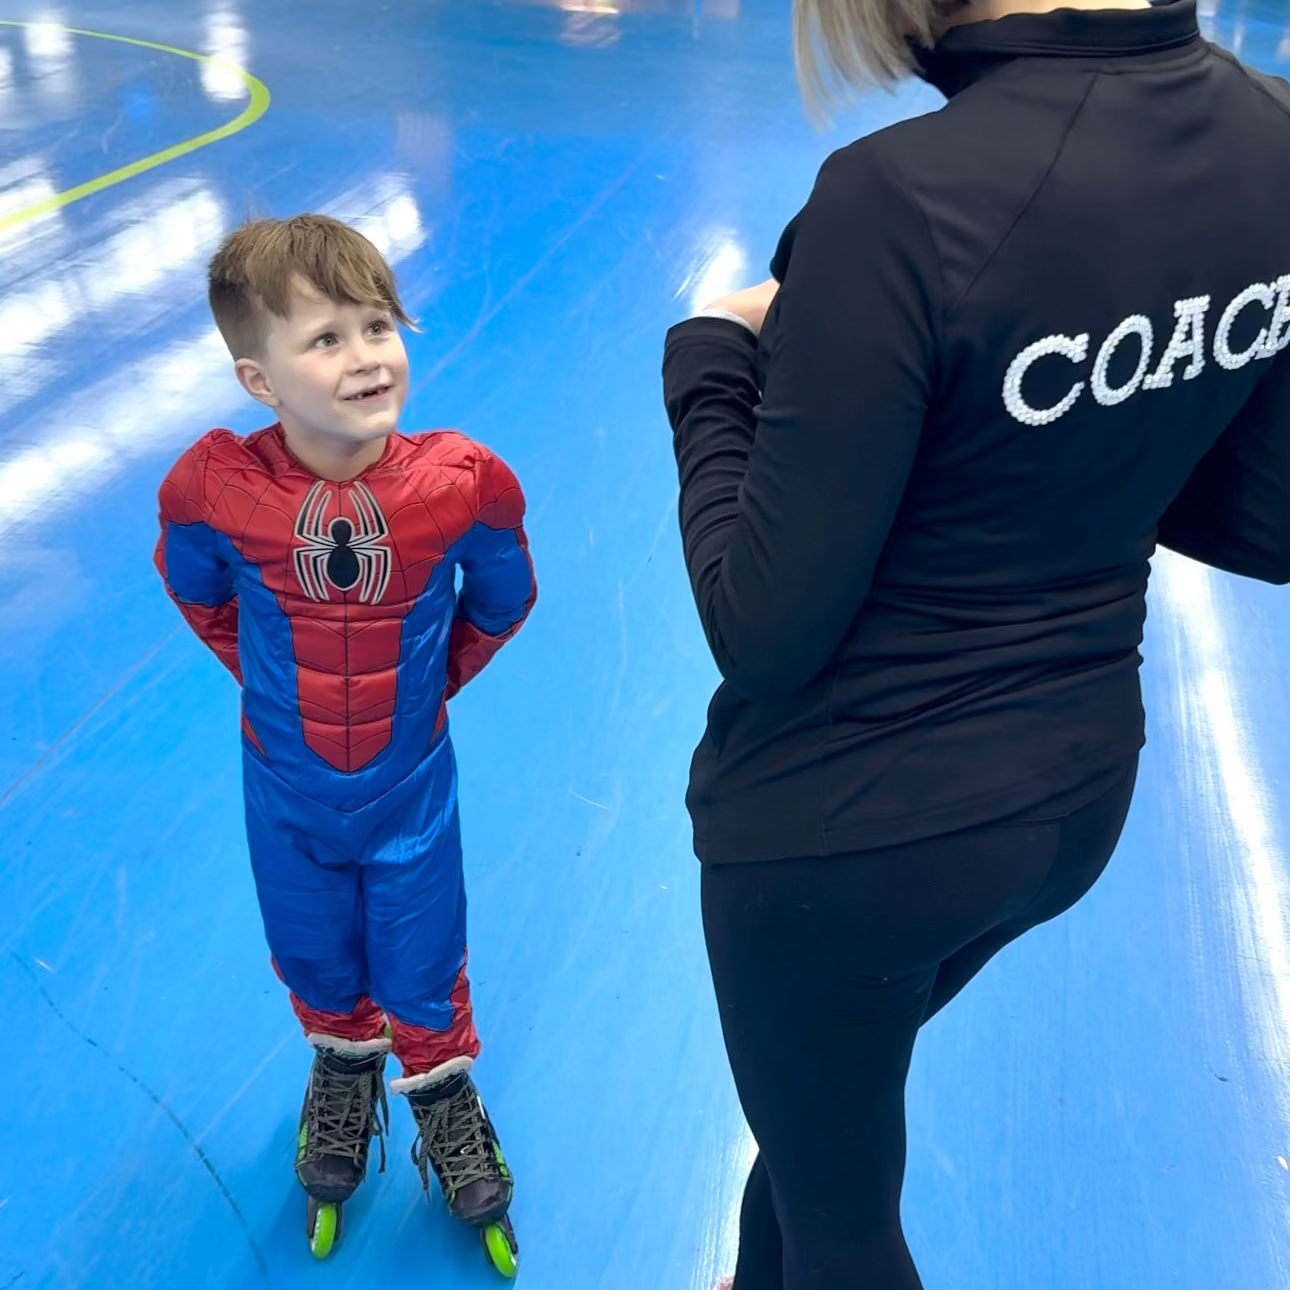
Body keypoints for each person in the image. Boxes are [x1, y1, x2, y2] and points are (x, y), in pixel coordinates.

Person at [661, 0, 1290, 1283]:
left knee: (842, 1222)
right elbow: (1266, 516)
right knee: (815, 1157)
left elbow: (762, 629)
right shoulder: (1271, 130)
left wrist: (709, 362)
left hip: (844, 839)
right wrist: (1052, 451)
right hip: (1074, 796)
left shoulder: (897, 200)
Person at [154, 214, 535, 1269]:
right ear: (258, 380)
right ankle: (343, 1062)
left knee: (425, 949)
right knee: (310, 942)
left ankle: (444, 1092)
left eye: (378, 325)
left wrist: (427, 688)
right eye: (325, 338)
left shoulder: (461, 485)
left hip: (410, 790)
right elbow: (197, 591)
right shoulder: (214, 492)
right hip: (285, 790)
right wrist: (271, 684)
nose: (366, 355)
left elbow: (504, 600)